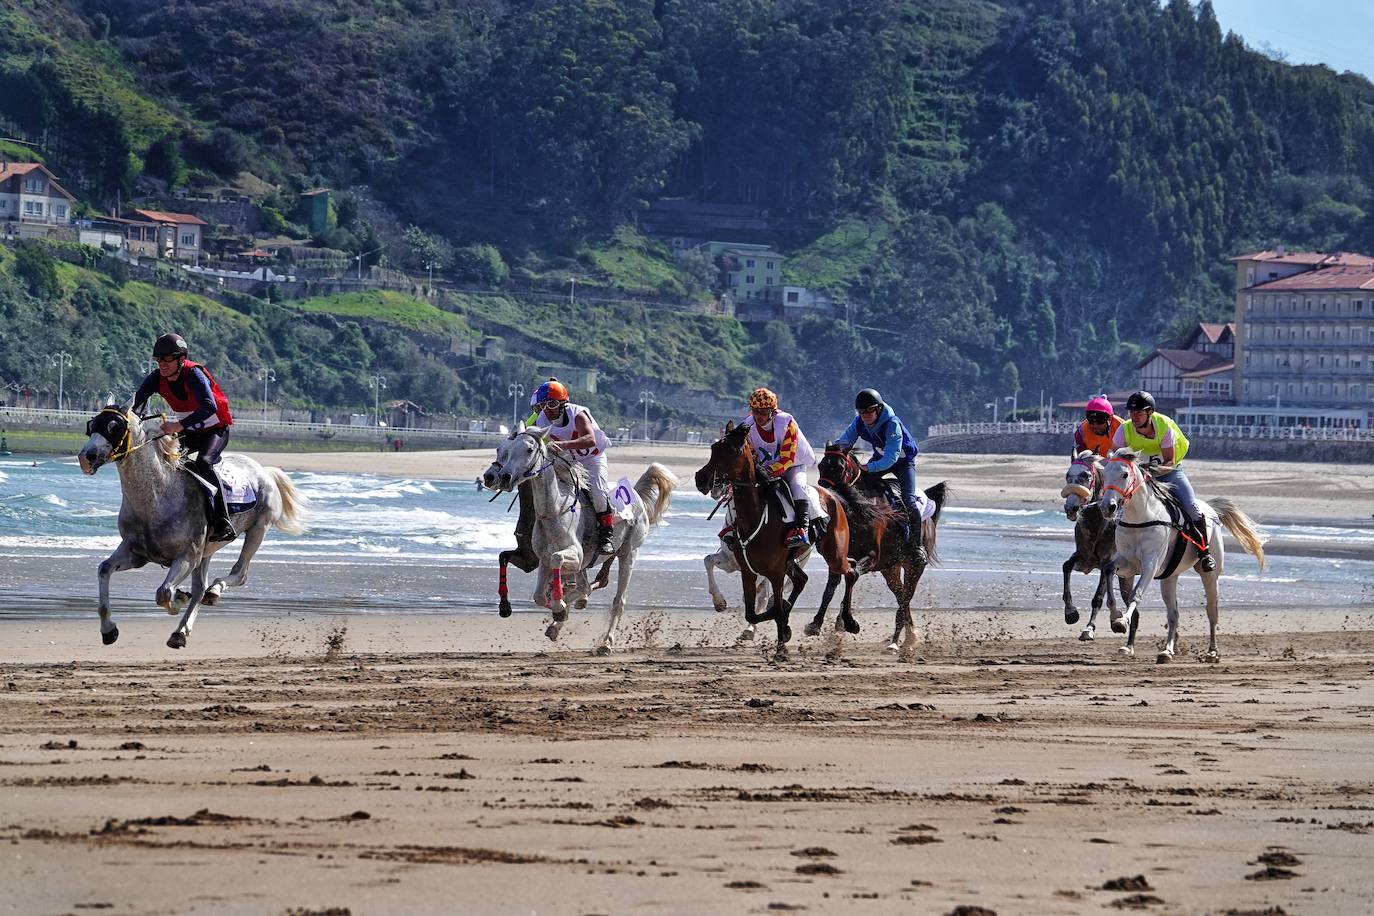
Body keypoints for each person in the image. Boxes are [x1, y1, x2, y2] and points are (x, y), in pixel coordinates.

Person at [131, 333, 237, 542]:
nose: (162, 363)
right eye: (159, 359)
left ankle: (223, 520)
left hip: (215, 430)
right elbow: (136, 402)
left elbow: (209, 406)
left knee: (204, 463)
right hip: (191, 432)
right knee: (167, 462)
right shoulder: (156, 378)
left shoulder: (193, 374)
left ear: (181, 358)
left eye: (168, 358)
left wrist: (177, 425)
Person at [1111, 389, 1215, 572]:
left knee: (1191, 506)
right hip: (1137, 479)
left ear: (1149, 412)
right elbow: (1116, 461)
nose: (1134, 416)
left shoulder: (1164, 426)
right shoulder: (1123, 430)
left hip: (1169, 473)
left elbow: (1169, 461)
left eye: (1139, 412)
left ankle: (1204, 553)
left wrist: (1154, 472)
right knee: (1113, 501)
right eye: (1131, 412)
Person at [834, 388, 925, 557]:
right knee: (858, 487)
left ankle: (917, 546)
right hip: (881, 456)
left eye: (870, 410)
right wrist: (834, 451)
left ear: (879, 409)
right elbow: (845, 441)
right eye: (862, 411)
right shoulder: (859, 421)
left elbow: (891, 458)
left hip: (903, 462)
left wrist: (869, 468)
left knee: (909, 501)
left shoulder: (892, 423)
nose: (866, 415)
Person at [531, 378, 616, 556]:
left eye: (552, 404)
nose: (547, 409)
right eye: (543, 405)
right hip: (569, 459)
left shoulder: (577, 414)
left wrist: (563, 445)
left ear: (563, 404)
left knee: (598, 492)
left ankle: (606, 535)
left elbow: (589, 439)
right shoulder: (541, 419)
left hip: (592, 458)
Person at [741, 387, 816, 548]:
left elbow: (787, 458)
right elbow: (749, 453)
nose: (758, 416)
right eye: (755, 411)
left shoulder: (787, 423)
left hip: (794, 464)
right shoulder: (747, 426)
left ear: (773, 411)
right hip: (766, 466)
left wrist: (767, 472)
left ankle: (802, 530)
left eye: (763, 412)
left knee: (798, 486)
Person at [1073, 394, 1124, 458]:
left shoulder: (1122, 427)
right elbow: (1080, 460)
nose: (1095, 425)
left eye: (1099, 421)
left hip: (1117, 462)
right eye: (1091, 421)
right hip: (1092, 462)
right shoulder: (1081, 432)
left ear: (1109, 419)